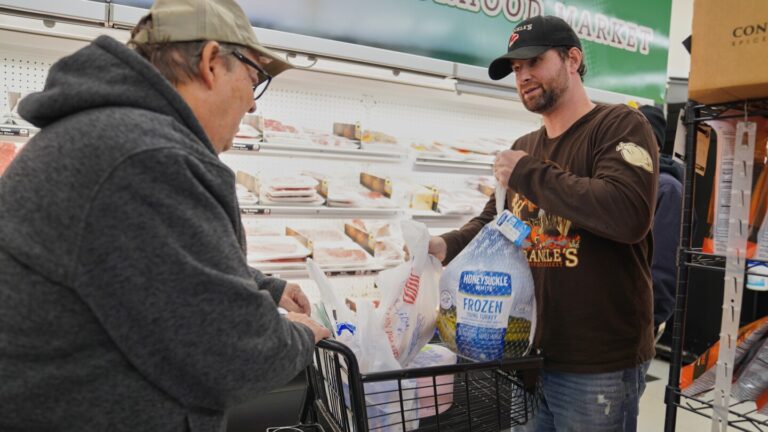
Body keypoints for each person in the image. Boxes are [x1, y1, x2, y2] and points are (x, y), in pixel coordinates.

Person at [0, 0, 329, 431]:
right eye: (255, 78)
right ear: (212, 63)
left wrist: (264, 288)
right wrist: (305, 332)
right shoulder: (147, 156)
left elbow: (146, 267)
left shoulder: (114, 134)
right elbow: (231, 356)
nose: (252, 106)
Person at [428, 15, 659, 431]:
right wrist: (440, 247)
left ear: (572, 59)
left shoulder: (619, 126)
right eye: (516, 69)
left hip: (598, 362)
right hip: (528, 356)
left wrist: (528, 173)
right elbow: (493, 223)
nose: (523, 76)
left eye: (533, 62)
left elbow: (627, 213)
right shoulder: (526, 147)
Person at [639, 105, 684, 342]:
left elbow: (665, 265)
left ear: (655, 143)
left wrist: (648, 320)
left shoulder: (667, 189)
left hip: (634, 327)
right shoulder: (624, 183)